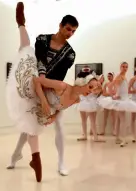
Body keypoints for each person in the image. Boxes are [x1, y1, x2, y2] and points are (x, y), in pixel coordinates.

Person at [6, 2, 101, 182]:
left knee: (55, 126)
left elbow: (59, 75)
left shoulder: (70, 54)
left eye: (73, 31)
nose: (70, 33)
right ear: (60, 25)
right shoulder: (42, 39)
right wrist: (41, 86)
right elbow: (40, 61)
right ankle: (21, 24)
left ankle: (61, 163)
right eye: (68, 29)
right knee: (25, 48)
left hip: (50, 88)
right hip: (34, 78)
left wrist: (54, 108)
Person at [99, 62, 136, 147]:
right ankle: (123, 139)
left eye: (126, 67)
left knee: (119, 120)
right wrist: (114, 95)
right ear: (120, 67)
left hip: (124, 99)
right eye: (123, 66)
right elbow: (110, 86)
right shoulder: (119, 76)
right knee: (122, 120)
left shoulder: (123, 76)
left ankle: (118, 138)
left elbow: (119, 88)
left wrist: (116, 94)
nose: (125, 68)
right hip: (121, 100)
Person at [76, 67, 105, 142]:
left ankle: (85, 136)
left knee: (83, 120)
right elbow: (97, 91)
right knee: (92, 121)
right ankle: (95, 137)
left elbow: (77, 90)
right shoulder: (93, 79)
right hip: (90, 101)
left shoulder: (79, 79)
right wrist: (97, 87)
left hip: (82, 100)